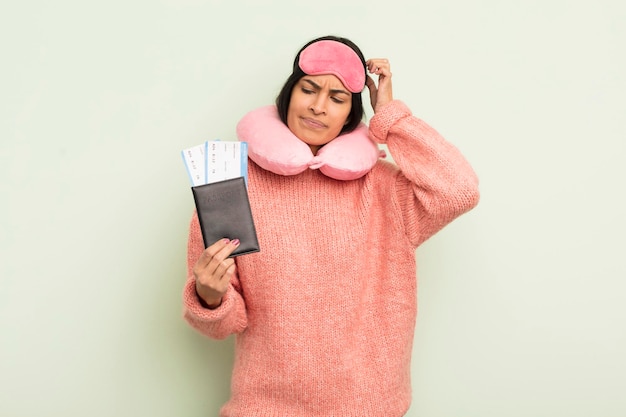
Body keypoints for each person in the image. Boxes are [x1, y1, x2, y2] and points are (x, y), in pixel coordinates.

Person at [182, 35, 480, 416]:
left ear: (351, 115)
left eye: (337, 98)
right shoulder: (228, 186)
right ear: (290, 94)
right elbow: (223, 324)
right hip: (265, 407)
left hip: (370, 406)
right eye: (309, 89)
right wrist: (210, 295)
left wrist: (390, 116)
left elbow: (459, 190)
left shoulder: (385, 190)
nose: (319, 107)